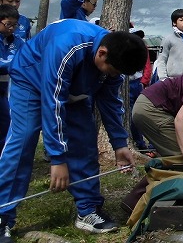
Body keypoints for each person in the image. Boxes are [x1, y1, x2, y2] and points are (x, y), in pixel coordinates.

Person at [0, 21, 147, 239]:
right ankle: (3, 214)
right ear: (102, 53)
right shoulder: (67, 46)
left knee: (85, 143)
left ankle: (88, 210)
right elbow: (53, 102)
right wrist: (58, 159)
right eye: (113, 70)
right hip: (32, 80)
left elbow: (110, 102)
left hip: (76, 86)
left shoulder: (114, 58)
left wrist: (120, 143)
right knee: (23, 141)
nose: (114, 75)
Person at [0, 5, 23, 152]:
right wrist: (14, 63)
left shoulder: (18, 41)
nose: (11, 28)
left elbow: (25, 59)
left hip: (8, 90)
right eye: (8, 24)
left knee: (6, 122)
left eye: (15, 25)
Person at [155, 8, 183, 80]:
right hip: (171, 79)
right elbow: (162, 60)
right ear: (174, 22)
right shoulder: (168, 39)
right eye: (181, 20)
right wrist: (163, 78)